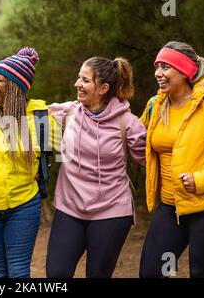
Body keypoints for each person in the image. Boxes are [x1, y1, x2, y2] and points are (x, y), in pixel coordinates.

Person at [139, 41, 204, 278]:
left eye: (166, 67)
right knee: (151, 271)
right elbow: (133, 137)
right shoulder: (155, 106)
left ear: (185, 71)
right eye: (157, 66)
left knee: (200, 272)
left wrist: (200, 179)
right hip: (170, 206)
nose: (158, 73)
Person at [45, 57, 147, 278]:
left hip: (111, 209)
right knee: (56, 274)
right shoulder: (68, 113)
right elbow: (24, 118)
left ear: (103, 88)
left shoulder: (127, 123)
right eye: (78, 78)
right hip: (70, 207)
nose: (77, 84)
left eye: (84, 80)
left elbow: (152, 160)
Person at [0, 47, 58, 278]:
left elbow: (71, 149)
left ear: (15, 85)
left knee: (18, 273)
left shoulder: (40, 119)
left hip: (23, 205)